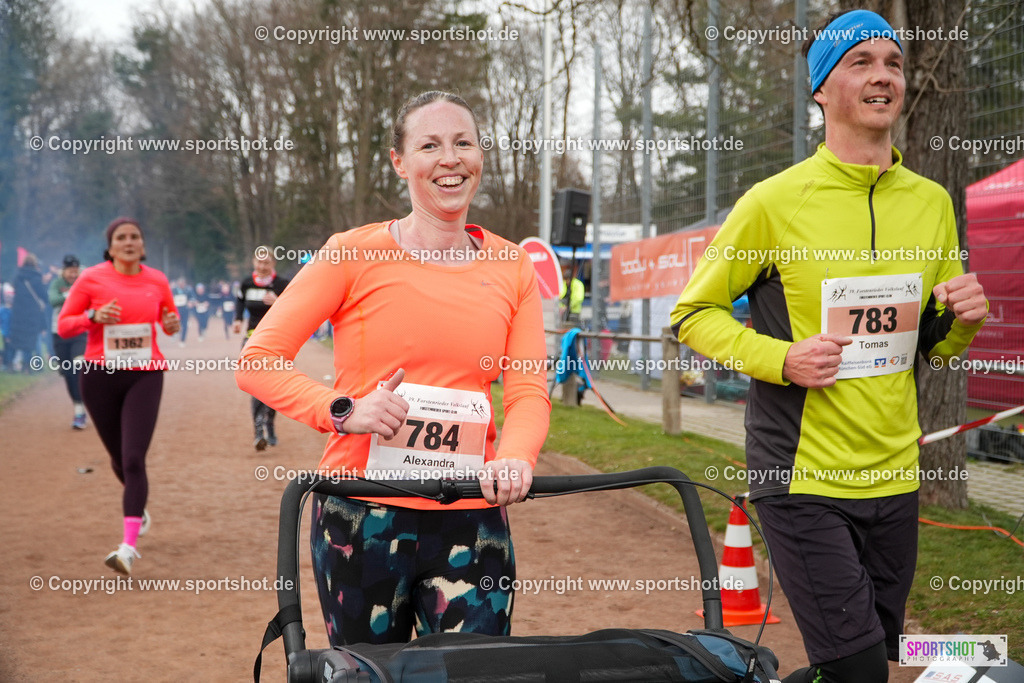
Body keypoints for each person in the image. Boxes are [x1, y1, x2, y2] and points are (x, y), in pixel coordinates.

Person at [671, 11, 988, 683]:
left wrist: (965, 320)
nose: (883, 76)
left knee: (868, 656)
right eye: (861, 62)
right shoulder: (774, 202)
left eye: (894, 63)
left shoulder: (931, 202)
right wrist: (780, 358)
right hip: (801, 478)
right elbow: (691, 314)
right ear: (821, 89)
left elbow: (934, 350)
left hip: (897, 476)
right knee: (861, 669)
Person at [236, 90, 550, 647]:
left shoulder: (512, 266)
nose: (450, 159)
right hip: (362, 514)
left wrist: (516, 457)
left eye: (463, 143)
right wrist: (344, 410)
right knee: (366, 673)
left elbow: (526, 389)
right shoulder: (349, 253)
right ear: (400, 162)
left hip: (471, 513)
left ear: (481, 157)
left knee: (476, 671)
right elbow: (258, 362)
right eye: (430, 145)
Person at [58, 218, 181, 575]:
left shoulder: (157, 279)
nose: (129, 242)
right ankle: (137, 505)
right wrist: (94, 315)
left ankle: (127, 548)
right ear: (110, 247)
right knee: (117, 457)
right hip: (99, 377)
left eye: (135, 237)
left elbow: (170, 320)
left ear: (143, 245)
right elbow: (65, 324)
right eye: (121, 238)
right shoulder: (92, 278)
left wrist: (172, 325)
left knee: (132, 459)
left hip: (145, 375)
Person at [233, 251, 289, 450]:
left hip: (277, 340)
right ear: (253, 262)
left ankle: (270, 424)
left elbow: (295, 307)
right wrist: (238, 319)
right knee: (256, 386)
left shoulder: (282, 284)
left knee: (273, 387)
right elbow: (240, 301)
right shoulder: (247, 283)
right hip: (252, 339)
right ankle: (258, 431)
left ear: (273, 262)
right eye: (259, 262)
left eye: (267, 262)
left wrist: (278, 303)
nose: (263, 266)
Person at [49, 254, 88, 428]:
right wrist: (72, 295)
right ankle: (78, 408)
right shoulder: (57, 284)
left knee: (79, 368)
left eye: (75, 271)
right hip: (59, 333)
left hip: (80, 331)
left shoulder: (85, 281)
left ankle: (86, 405)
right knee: (68, 374)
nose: (73, 275)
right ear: (63, 271)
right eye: (70, 271)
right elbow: (53, 300)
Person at [9, 253, 49, 372]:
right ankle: (28, 366)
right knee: (31, 339)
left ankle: (10, 364)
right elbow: (44, 296)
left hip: (18, 312)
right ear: (35, 264)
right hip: (32, 313)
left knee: (16, 338)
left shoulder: (17, 277)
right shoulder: (37, 278)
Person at [558, 260, 584, 325]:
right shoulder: (564, 285)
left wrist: (569, 306)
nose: (567, 282)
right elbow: (560, 296)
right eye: (566, 280)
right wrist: (562, 306)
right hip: (564, 312)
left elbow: (578, 298)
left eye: (568, 279)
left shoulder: (578, 284)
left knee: (573, 326)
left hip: (574, 311)